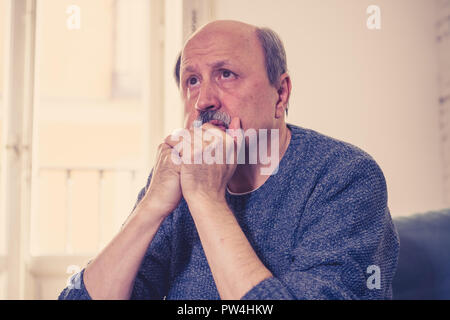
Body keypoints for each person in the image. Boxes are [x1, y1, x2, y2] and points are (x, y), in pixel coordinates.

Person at [59, 20, 399, 300]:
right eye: (192, 81)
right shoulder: (177, 176)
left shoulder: (346, 176)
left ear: (280, 94)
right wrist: (151, 207)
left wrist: (206, 198)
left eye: (226, 75)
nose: (204, 100)